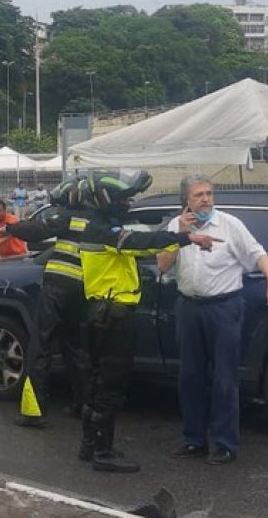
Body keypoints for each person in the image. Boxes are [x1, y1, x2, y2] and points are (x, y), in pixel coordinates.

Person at [73, 172, 216, 473]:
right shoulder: (104, 231)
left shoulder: (96, 227)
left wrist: (178, 234)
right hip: (113, 316)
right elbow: (142, 243)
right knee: (110, 385)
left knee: (96, 382)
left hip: (100, 313)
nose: (128, 204)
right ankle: (103, 452)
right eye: (123, 199)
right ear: (107, 201)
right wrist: (185, 237)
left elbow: (141, 244)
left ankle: (90, 445)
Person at [157, 175, 268, 466]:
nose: (206, 199)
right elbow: (163, 266)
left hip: (223, 308)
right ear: (186, 201)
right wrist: (180, 234)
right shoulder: (176, 226)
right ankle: (194, 440)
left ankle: (225, 443)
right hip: (189, 307)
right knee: (190, 377)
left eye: (209, 193)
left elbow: (259, 254)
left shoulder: (229, 224)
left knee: (224, 378)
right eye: (199, 195)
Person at [1, 180, 92, 428]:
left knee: (40, 346)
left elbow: (37, 230)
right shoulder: (96, 220)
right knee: (75, 349)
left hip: (56, 289)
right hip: (80, 291)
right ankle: (83, 404)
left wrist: (10, 227)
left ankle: (34, 411)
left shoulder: (67, 217)